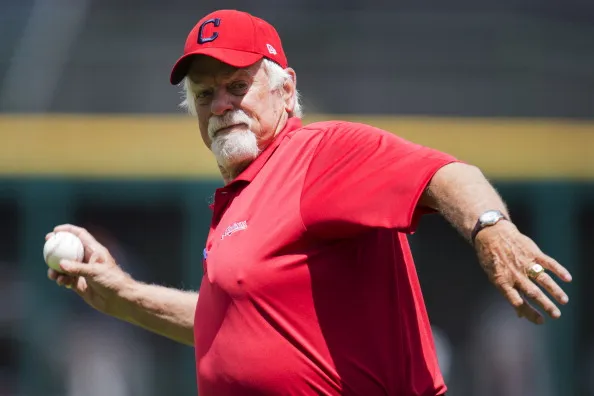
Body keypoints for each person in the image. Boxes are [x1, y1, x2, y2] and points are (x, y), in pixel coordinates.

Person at [47, 9, 572, 396]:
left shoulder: (319, 154)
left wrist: (491, 230)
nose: (222, 103)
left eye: (238, 84)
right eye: (205, 94)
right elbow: (227, 322)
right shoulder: (239, 198)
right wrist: (121, 295)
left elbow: (444, 173)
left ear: (285, 89)